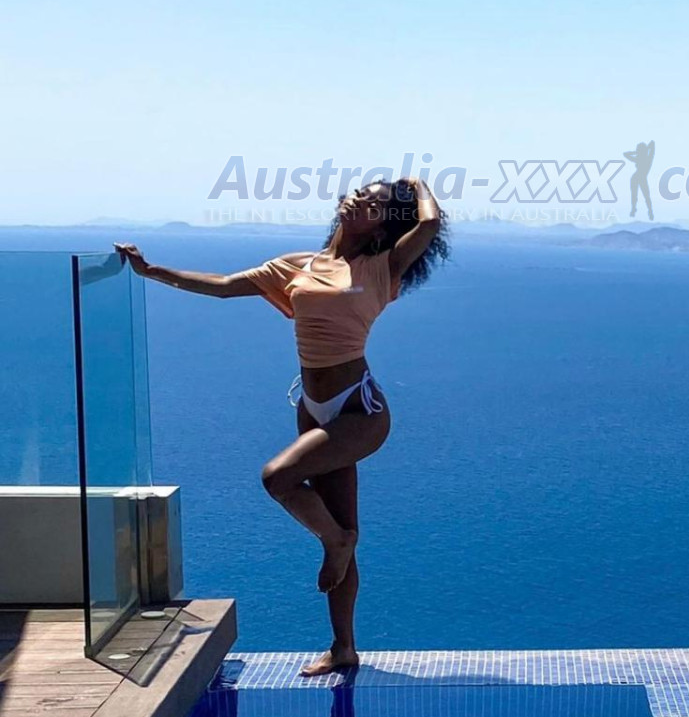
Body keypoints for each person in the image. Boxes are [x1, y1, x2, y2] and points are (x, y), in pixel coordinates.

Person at [115, 177, 448, 675]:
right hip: (312, 406)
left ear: (383, 227)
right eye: (362, 192)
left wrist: (415, 183)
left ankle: (335, 543)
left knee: (279, 479)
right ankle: (343, 647)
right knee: (342, 525)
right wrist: (151, 271)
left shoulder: (383, 267)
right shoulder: (297, 265)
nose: (363, 199)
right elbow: (223, 286)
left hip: (359, 410)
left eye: (377, 203)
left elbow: (429, 222)